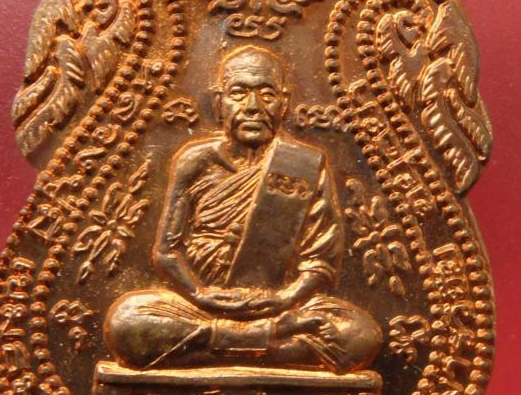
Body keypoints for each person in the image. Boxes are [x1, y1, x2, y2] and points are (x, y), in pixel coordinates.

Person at [105, 45, 381, 373]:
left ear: (284, 103)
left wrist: (285, 298)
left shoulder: (305, 164)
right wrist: (201, 294)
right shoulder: (196, 161)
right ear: (218, 102)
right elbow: (166, 253)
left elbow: (319, 262)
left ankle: (213, 348)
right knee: (126, 322)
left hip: (281, 309)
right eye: (239, 93)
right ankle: (266, 345)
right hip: (202, 308)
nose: (253, 107)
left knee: (360, 336)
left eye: (267, 95)